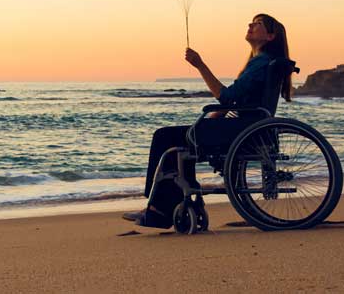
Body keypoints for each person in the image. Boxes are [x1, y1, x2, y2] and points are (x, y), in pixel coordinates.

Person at [122, 13, 299, 229]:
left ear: (270, 36)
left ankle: (159, 208)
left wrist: (200, 65)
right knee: (182, 137)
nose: (250, 25)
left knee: (165, 137)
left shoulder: (260, 62)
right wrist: (212, 118)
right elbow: (238, 102)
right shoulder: (262, 62)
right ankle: (167, 203)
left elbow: (226, 97)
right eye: (251, 22)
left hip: (241, 130)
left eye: (258, 24)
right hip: (248, 127)